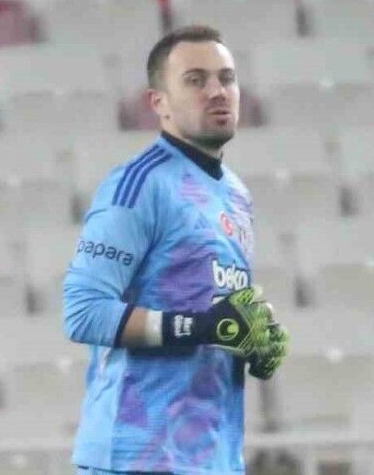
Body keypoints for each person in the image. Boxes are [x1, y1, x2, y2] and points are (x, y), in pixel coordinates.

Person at [62, 25, 289, 475]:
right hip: (136, 457)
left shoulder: (236, 195)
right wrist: (201, 327)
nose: (217, 91)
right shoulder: (139, 184)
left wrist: (253, 341)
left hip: (212, 457)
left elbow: (217, 315)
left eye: (226, 78)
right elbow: (83, 312)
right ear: (159, 103)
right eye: (195, 80)